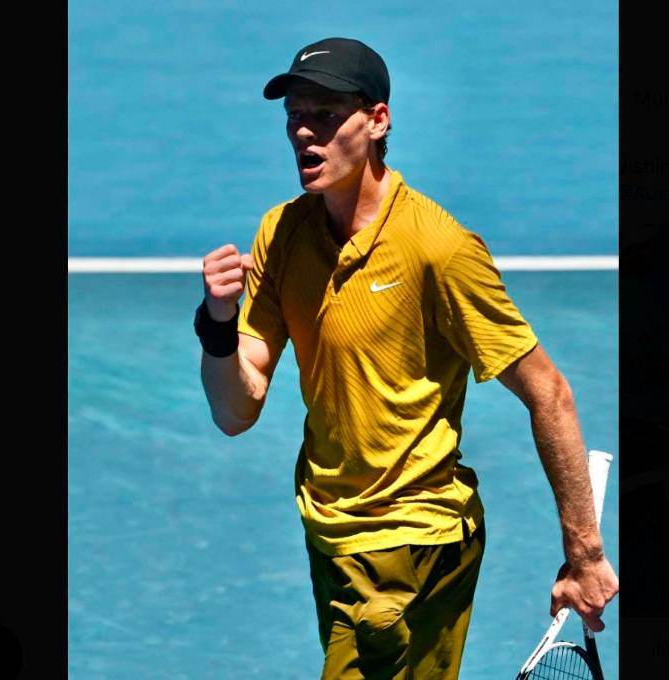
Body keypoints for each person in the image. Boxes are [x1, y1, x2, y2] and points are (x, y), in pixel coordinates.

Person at [194, 37, 618, 679]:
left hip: (411, 541)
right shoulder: (281, 233)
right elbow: (236, 408)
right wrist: (217, 325)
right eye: (294, 116)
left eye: (326, 115)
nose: (304, 132)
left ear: (378, 120)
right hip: (330, 532)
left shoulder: (437, 248)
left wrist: (584, 554)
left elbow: (547, 391)